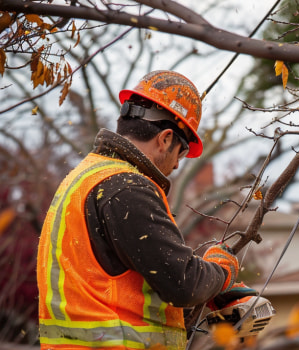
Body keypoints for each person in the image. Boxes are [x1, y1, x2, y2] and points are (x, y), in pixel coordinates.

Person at [37, 71, 249, 349]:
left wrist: (202, 294)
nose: (176, 166)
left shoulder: (87, 177)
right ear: (165, 138)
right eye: (181, 152)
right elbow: (184, 284)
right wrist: (221, 271)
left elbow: (121, 286)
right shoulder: (126, 189)